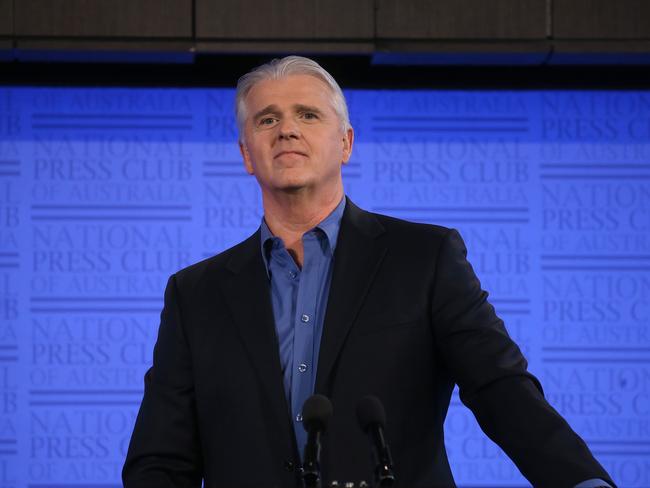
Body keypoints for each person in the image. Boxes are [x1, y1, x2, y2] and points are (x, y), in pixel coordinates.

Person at [123, 56, 615, 488]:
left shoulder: (425, 257)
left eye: (307, 115)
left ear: (346, 143)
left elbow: (501, 390)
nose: (286, 129)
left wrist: (581, 480)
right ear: (246, 154)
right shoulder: (195, 293)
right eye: (267, 118)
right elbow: (162, 458)